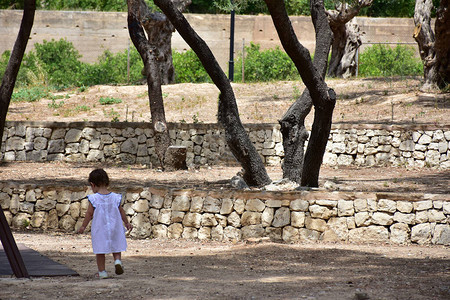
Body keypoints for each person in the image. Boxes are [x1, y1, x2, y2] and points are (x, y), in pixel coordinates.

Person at [78, 168, 133, 279]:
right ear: (107, 182)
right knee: (116, 245)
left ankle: (102, 272)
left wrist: (83, 226)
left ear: (92, 184)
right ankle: (117, 261)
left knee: (100, 250)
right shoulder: (115, 197)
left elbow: (89, 214)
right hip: (115, 227)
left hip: (100, 228)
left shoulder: (94, 199)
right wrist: (127, 223)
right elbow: (121, 211)